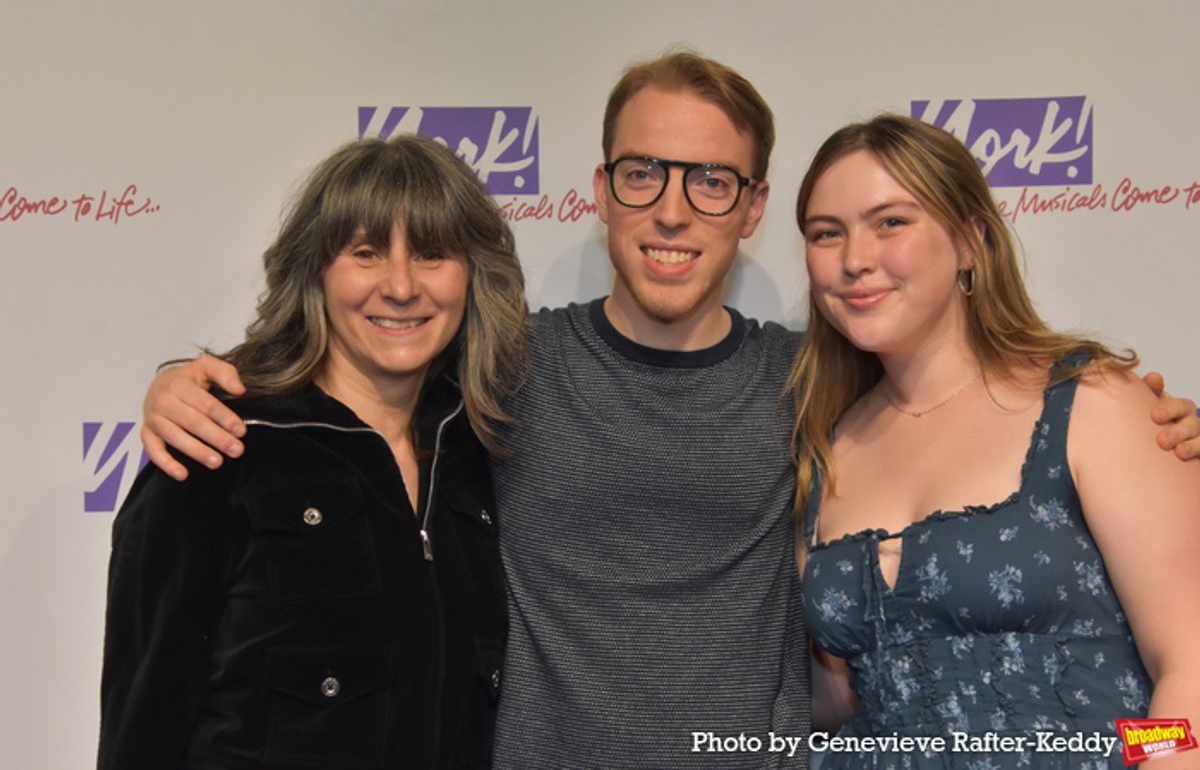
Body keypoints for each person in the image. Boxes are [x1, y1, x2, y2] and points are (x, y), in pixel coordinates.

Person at [132, 52, 1200, 769]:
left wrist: (1141, 423)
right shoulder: (506, 361)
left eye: (711, 182)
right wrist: (193, 382)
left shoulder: (814, 385)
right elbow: (368, 348)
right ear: (601, 191)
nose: (673, 211)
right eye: (644, 174)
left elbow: (1183, 668)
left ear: (751, 207)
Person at [98, 134, 527, 770]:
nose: (401, 286)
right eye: (366, 253)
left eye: (432, 254)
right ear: (316, 272)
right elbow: (142, 725)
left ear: (471, 275)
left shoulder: (485, 446)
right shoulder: (219, 445)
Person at [792, 115, 1200, 768]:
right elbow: (834, 699)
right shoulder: (824, 446)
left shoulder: (1090, 403)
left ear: (970, 241)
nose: (855, 258)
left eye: (890, 222)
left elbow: (1190, 672)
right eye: (826, 233)